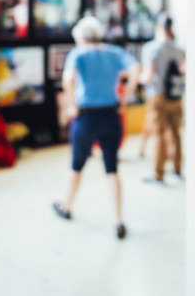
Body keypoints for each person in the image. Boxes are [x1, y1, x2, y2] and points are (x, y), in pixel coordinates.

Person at [53, 16, 140, 239]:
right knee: (111, 168)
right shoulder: (114, 52)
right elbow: (136, 69)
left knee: (77, 165)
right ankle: (119, 221)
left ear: (81, 37)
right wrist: (125, 96)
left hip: (86, 117)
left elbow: (68, 79)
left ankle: (67, 206)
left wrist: (73, 104)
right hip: (111, 115)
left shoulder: (79, 53)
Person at [140, 13, 186, 183]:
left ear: (158, 28)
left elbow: (148, 75)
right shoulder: (180, 49)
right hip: (176, 96)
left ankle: (158, 174)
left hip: (157, 96)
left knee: (159, 135)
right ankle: (177, 169)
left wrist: (139, 78)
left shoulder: (151, 48)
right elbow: (184, 74)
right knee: (176, 133)